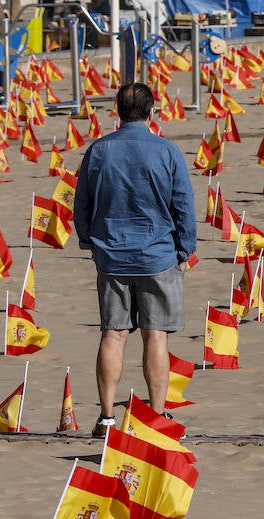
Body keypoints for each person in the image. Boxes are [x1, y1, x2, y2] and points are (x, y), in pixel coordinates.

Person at [74, 82, 197, 439]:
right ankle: (157, 415)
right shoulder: (167, 151)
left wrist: (91, 243)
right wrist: (184, 250)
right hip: (158, 255)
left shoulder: (99, 150)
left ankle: (107, 415)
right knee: (155, 336)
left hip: (112, 255)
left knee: (112, 334)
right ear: (152, 111)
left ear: (117, 111)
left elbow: (80, 203)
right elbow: (184, 206)